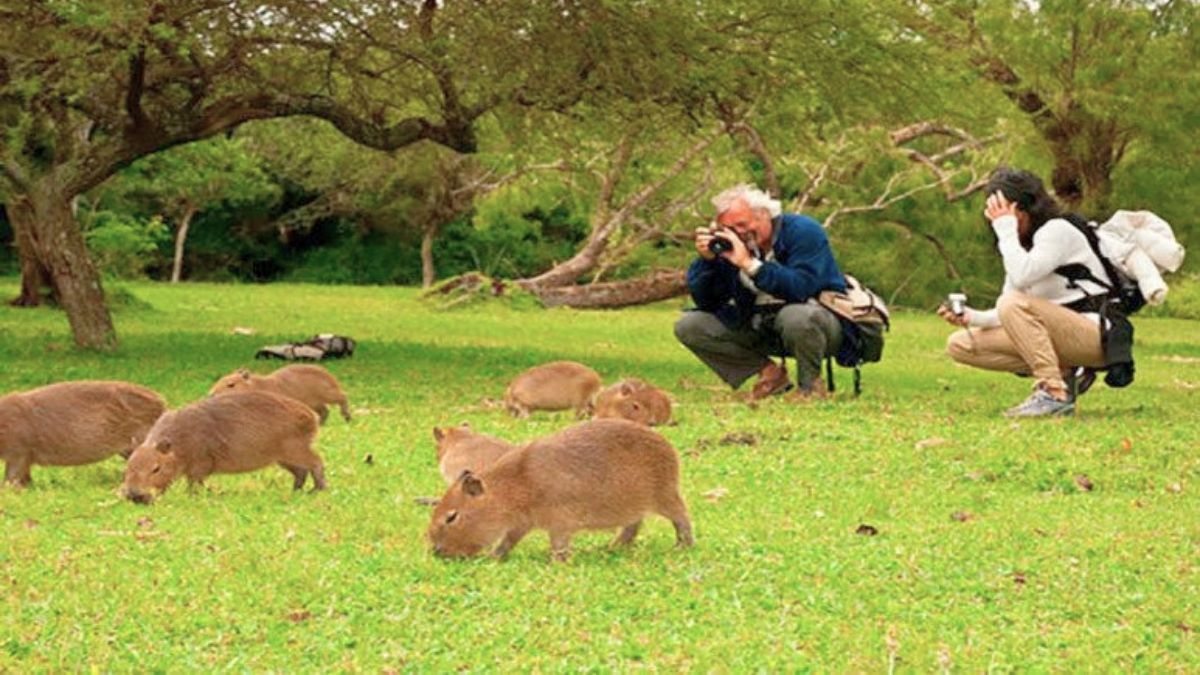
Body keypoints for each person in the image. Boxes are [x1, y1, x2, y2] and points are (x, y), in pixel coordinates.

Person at [939, 168, 1111, 418]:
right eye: (993, 213)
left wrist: (1005, 231)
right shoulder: (1020, 248)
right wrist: (970, 317)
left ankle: (1053, 393)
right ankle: (1064, 373)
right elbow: (1008, 314)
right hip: (1060, 335)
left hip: (1097, 335)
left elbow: (1019, 284)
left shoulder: (1057, 231)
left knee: (1013, 304)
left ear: (1027, 207)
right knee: (961, 345)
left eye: (1005, 212)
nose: (998, 220)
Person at [673, 184, 849, 399]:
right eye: (729, 227)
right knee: (690, 325)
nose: (739, 232)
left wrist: (750, 264)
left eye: (742, 224)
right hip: (760, 324)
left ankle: (810, 387)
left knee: (797, 316)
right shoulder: (732, 245)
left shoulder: (803, 231)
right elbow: (707, 302)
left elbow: (801, 288)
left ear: (765, 215)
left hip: (819, 327)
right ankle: (770, 375)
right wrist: (708, 262)